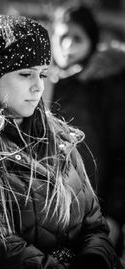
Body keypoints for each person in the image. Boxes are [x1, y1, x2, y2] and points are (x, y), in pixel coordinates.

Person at [0, 14, 123, 269]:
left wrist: (94, 259)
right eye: (25, 74)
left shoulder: (59, 135)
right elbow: (0, 247)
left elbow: (94, 224)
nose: (38, 88)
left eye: (42, 75)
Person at [47, 4, 125, 261]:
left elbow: (121, 153)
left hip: (97, 215)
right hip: (51, 216)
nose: (68, 46)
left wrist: (113, 216)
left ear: (91, 40)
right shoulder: (42, 83)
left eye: (77, 38)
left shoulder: (107, 84)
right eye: (62, 37)